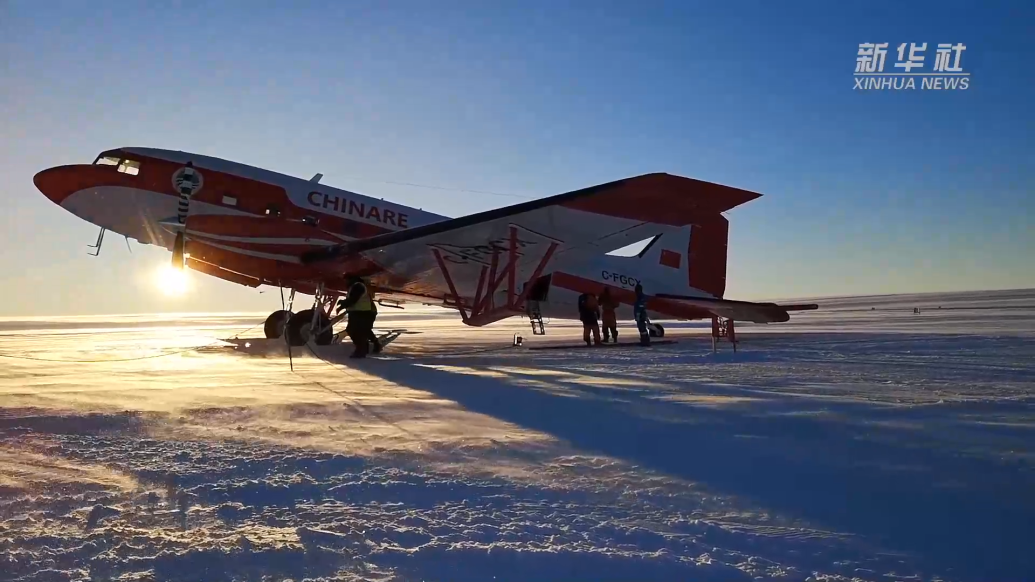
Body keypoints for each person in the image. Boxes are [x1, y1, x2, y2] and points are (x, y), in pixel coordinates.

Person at [337, 275, 376, 358]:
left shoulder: (358, 286)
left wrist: (343, 305)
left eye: (346, 279)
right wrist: (343, 303)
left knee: (355, 332)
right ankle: (365, 348)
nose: (345, 282)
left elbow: (353, 299)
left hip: (362, 313)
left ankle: (361, 350)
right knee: (361, 331)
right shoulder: (355, 286)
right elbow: (352, 299)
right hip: (359, 312)